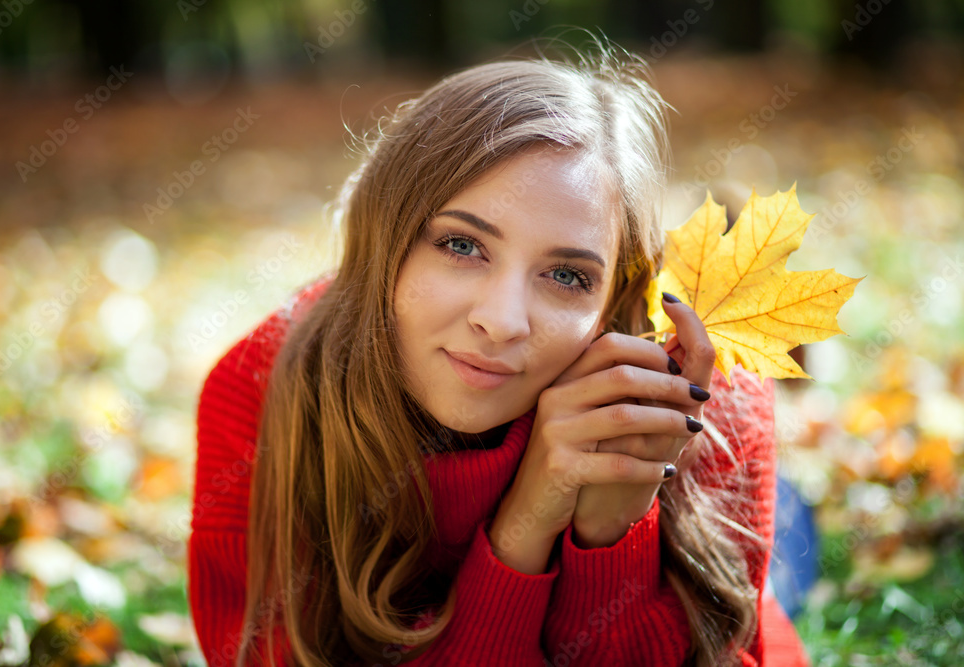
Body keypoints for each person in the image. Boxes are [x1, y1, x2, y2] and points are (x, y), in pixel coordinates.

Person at [187, 36, 810, 667]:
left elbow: (727, 639)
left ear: (613, 295)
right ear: (384, 234)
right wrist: (525, 524)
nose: (501, 321)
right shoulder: (265, 388)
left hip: (722, 520)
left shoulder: (697, 394)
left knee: (789, 544)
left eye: (567, 275)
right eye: (462, 245)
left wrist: (614, 530)